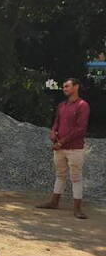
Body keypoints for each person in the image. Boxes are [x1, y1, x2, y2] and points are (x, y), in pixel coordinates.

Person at [37, 78, 90, 218]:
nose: (64, 89)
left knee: (76, 177)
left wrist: (62, 142)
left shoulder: (82, 105)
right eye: (64, 87)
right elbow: (57, 122)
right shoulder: (62, 105)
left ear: (76, 87)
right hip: (59, 147)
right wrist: (53, 131)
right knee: (60, 175)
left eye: (67, 86)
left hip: (74, 148)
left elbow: (81, 129)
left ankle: (77, 208)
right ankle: (54, 202)